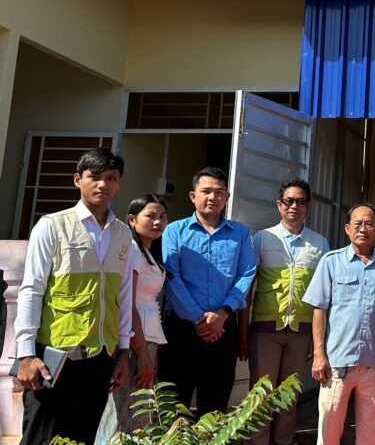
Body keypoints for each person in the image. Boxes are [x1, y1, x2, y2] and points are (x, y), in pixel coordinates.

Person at [14, 148, 134, 445]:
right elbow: (31, 289)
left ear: (119, 184)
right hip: (55, 355)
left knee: (82, 437)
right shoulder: (52, 225)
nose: (103, 184)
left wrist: (123, 351)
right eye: (94, 177)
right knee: (42, 437)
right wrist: (26, 353)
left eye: (111, 178)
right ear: (78, 180)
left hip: (101, 358)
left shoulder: (122, 234)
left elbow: (123, 293)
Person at [161, 166, 257, 415]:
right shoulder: (174, 230)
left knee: (215, 406)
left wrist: (223, 314)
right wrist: (199, 319)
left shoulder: (240, 233)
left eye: (219, 192)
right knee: (174, 405)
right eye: (206, 191)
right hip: (182, 328)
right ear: (193, 196)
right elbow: (172, 277)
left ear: (226, 198)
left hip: (224, 328)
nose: (212, 197)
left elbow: (246, 274)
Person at [240, 178, 329, 445]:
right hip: (265, 329)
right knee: (260, 394)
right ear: (279, 205)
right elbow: (248, 289)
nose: (294, 206)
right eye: (289, 201)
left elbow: (323, 298)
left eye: (300, 201)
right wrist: (243, 336)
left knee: (289, 397)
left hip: (301, 333)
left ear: (308, 206)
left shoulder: (319, 243)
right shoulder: (262, 238)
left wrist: (318, 343)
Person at [303, 203, 375, 445]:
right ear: (347, 228)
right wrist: (319, 354)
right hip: (337, 363)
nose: (363, 228)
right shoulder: (330, 262)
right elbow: (319, 310)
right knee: (329, 432)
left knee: (373, 434)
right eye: (357, 223)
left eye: (369, 223)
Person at [110, 194, 169, 431]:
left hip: (148, 337)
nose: (158, 222)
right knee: (128, 412)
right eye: (151, 216)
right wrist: (143, 354)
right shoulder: (132, 250)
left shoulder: (150, 252)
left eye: (163, 216)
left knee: (139, 409)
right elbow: (129, 303)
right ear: (132, 220)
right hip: (135, 340)